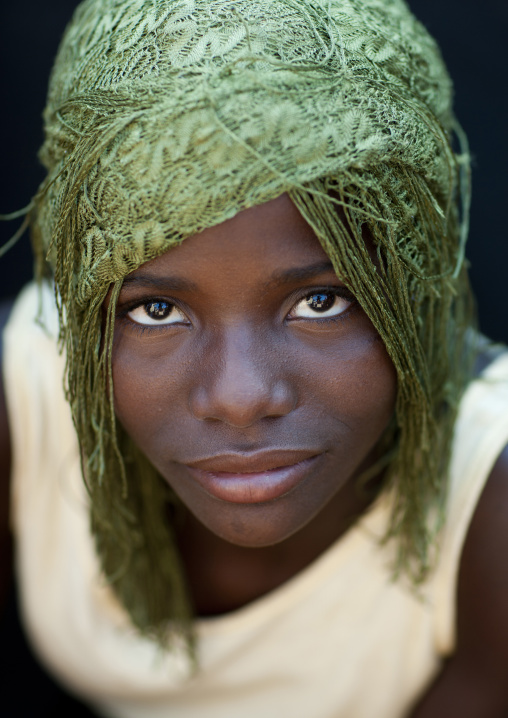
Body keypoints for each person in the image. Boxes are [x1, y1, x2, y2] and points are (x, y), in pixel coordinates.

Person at [2, 0, 508, 715]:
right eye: (156, 310)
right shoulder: (27, 395)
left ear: (415, 281)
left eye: (322, 302)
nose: (239, 397)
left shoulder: (491, 497)